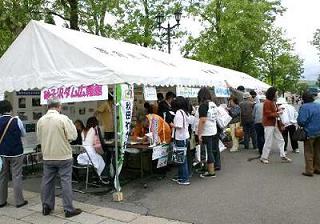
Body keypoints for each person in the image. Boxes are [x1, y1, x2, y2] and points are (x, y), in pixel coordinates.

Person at [37, 97, 82, 217]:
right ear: (59, 106)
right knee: (65, 181)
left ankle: (46, 206)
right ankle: (68, 209)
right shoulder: (63, 119)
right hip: (63, 155)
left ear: (48, 106)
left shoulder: (41, 120)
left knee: (47, 182)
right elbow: (73, 135)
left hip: (47, 156)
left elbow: (39, 138)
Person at [0, 100, 28, 208]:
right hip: (16, 153)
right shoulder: (16, 120)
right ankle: (19, 201)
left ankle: (1, 201)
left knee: (2, 177)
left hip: (2, 153)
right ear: (10, 108)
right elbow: (23, 134)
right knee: (16, 176)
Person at [260, 87, 292, 164]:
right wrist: (278, 113)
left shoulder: (272, 102)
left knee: (280, 140)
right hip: (269, 124)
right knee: (269, 141)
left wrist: (278, 113)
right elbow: (268, 114)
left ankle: (282, 155)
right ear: (272, 93)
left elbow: (269, 113)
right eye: (276, 93)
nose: (277, 94)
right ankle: (264, 157)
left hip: (273, 124)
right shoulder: (268, 102)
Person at [297, 91, 320, 176]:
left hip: (309, 132)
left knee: (309, 151)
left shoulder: (304, 107)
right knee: (318, 151)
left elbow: (301, 121)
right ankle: (318, 168)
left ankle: (309, 170)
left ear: (303, 99)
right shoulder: (318, 105)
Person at [197, 87, 219, 178]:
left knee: (207, 151)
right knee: (210, 151)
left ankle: (211, 172)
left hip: (206, 132)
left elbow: (202, 120)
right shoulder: (213, 104)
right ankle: (211, 170)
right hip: (213, 130)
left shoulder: (203, 105)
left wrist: (199, 133)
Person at [170, 96, 191, 185]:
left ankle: (184, 179)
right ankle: (182, 176)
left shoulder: (179, 112)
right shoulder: (185, 112)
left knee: (181, 159)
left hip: (180, 137)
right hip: (185, 137)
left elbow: (179, 126)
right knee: (183, 158)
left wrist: (172, 125)